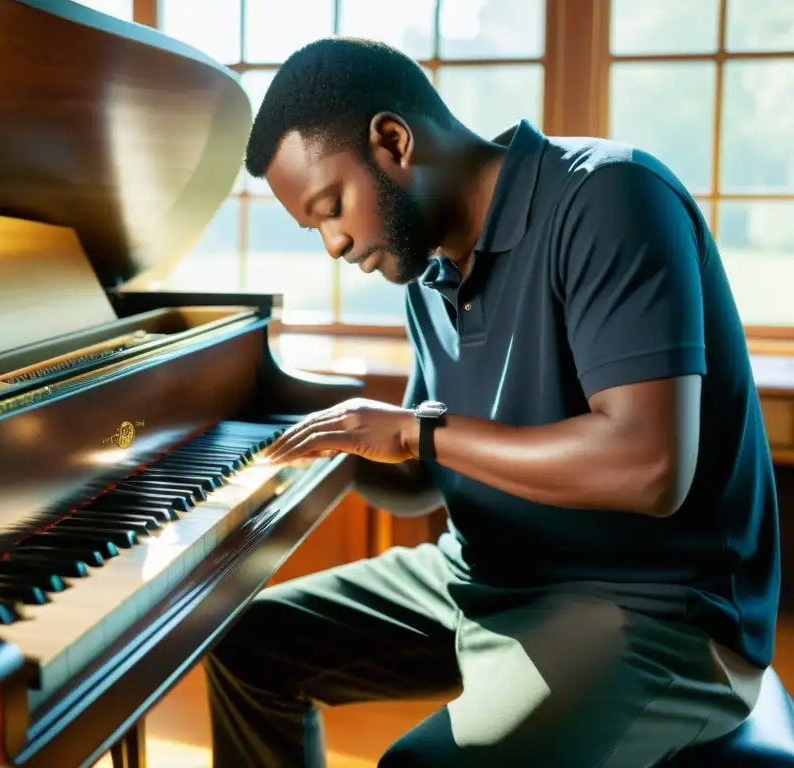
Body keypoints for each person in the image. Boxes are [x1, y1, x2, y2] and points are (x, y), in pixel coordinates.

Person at [205, 37, 779, 768]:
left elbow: (649, 467)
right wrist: (312, 433)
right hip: (485, 577)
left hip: (657, 613)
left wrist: (416, 433)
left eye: (330, 208)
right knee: (250, 644)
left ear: (392, 141)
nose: (334, 244)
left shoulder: (612, 196)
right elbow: (423, 476)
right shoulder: (427, 273)